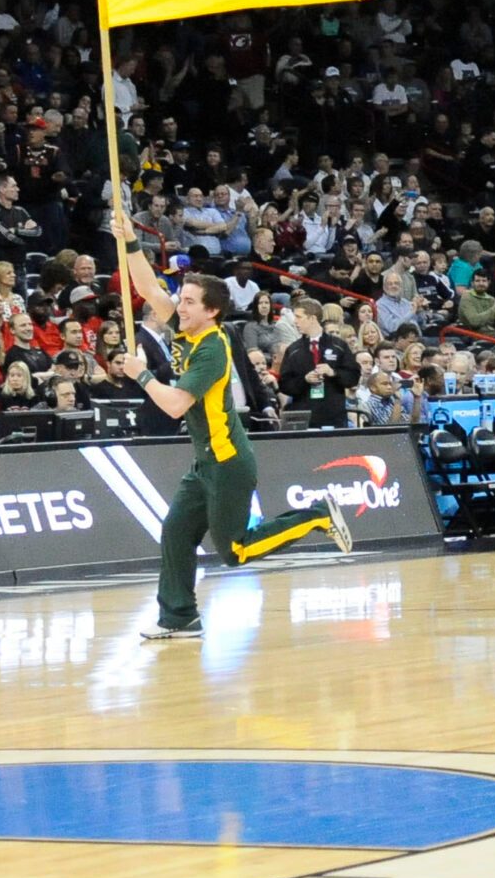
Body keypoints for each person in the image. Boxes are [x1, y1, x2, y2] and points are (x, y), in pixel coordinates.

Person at [119, 274, 353, 641]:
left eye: (190, 302)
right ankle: (179, 616)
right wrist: (128, 235)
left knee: (236, 551)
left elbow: (177, 406)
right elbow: (149, 289)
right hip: (205, 462)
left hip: (227, 461)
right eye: (181, 301)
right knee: (177, 533)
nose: (180, 306)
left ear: (211, 311)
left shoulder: (212, 348)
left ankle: (317, 516)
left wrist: (142, 375)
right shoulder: (188, 329)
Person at [273, 296, 360, 429]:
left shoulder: (339, 345)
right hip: (304, 417)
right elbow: (284, 384)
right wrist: (304, 380)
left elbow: (353, 377)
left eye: (298, 317)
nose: (295, 321)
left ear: (312, 318)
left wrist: (333, 373)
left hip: (333, 416)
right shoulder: (293, 349)